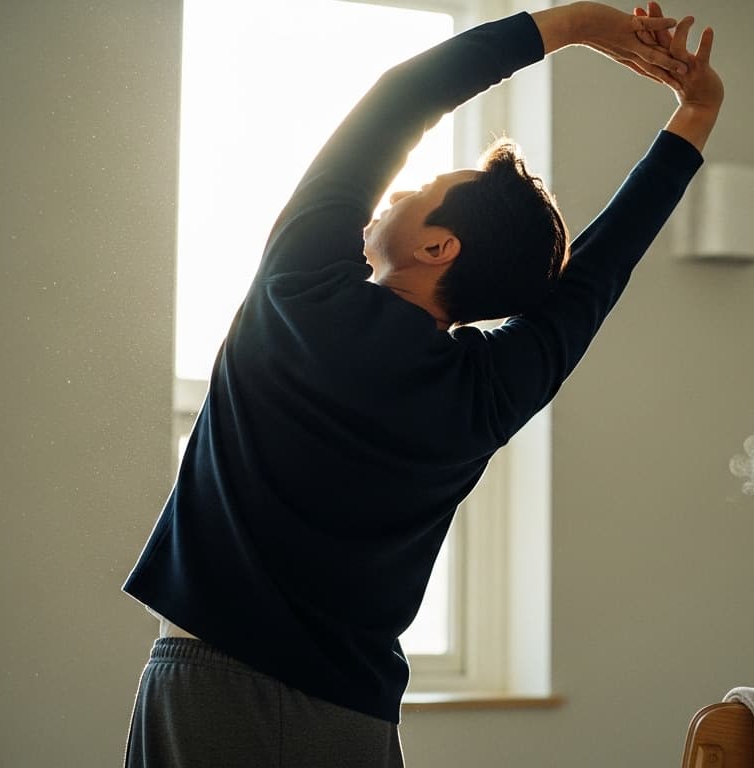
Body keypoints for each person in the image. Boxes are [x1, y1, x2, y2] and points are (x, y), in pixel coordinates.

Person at [123, 2, 723, 765]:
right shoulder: (487, 394)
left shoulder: (301, 288)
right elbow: (600, 273)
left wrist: (574, 25)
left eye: (420, 189)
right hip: (355, 720)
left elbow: (399, 99)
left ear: (437, 245)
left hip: (210, 695)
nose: (395, 190)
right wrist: (698, 112)